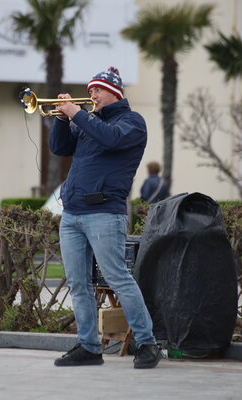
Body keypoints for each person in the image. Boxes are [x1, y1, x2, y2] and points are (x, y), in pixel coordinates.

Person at [49, 67, 162, 369]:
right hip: (72, 214)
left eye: (96, 90)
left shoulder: (131, 122)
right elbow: (59, 148)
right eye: (91, 90)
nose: (92, 95)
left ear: (114, 92)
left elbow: (111, 139)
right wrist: (63, 120)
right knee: (78, 283)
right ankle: (88, 346)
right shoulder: (89, 122)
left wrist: (76, 113)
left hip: (104, 213)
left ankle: (148, 344)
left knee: (118, 278)